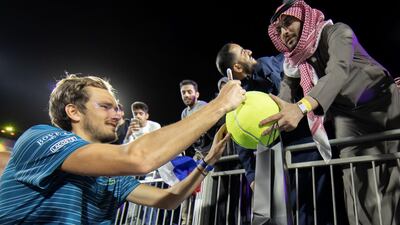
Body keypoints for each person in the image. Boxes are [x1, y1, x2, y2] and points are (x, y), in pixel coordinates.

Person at [0, 74, 246, 224]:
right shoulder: (40, 137)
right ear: (73, 111)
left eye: (117, 108)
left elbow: (167, 199)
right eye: (106, 107)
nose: (118, 114)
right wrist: (220, 104)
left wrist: (209, 160)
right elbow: (139, 158)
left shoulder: (110, 176)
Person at [263, 1, 400, 224]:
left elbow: (337, 72)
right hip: (348, 117)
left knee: (394, 176)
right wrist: (248, 117)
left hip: (385, 105)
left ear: (305, 18)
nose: (284, 32)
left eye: (288, 23)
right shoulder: (293, 63)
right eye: (278, 29)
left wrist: (301, 108)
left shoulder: (338, 32)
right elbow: (283, 99)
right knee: (357, 184)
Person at [216, 42, 339, 225]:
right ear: (237, 67)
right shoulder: (241, 98)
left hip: (316, 141)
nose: (249, 50)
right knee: (302, 210)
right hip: (287, 157)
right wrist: (252, 176)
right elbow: (240, 141)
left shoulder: (274, 62)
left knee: (326, 206)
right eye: (243, 51)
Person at [179, 79, 210, 159]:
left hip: (210, 150)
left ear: (197, 94)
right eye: (183, 93)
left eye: (189, 92)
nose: (186, 95)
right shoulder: (184, 113)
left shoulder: (202, 105)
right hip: (198, 151)